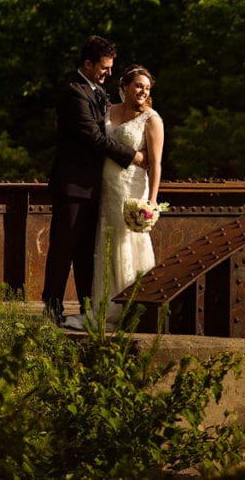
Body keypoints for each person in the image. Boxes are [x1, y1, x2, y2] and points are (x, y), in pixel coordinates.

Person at [42, 36, 144, 327]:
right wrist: (133, 156)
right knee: (63, 249)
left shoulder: (97, 91)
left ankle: (89, 307)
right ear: (87, 63)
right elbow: (93, 137)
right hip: (72, 186)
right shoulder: (74, 93)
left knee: (87, 251)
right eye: (103, 67)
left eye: (110, 67)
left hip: (94, 186)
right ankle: (52, 309)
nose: (108, 73)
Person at [84, 64, 164, 329]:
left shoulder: (151, 119)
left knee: (128, 242)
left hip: (131, 189)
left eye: (147, 88)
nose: (142, 91)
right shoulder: (108, 111)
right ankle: (106, 306)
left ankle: (132, 308)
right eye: (138, 85)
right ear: (126, 86)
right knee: (106, 242)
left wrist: (152, 200)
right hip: (106, 187)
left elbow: (155, 163)